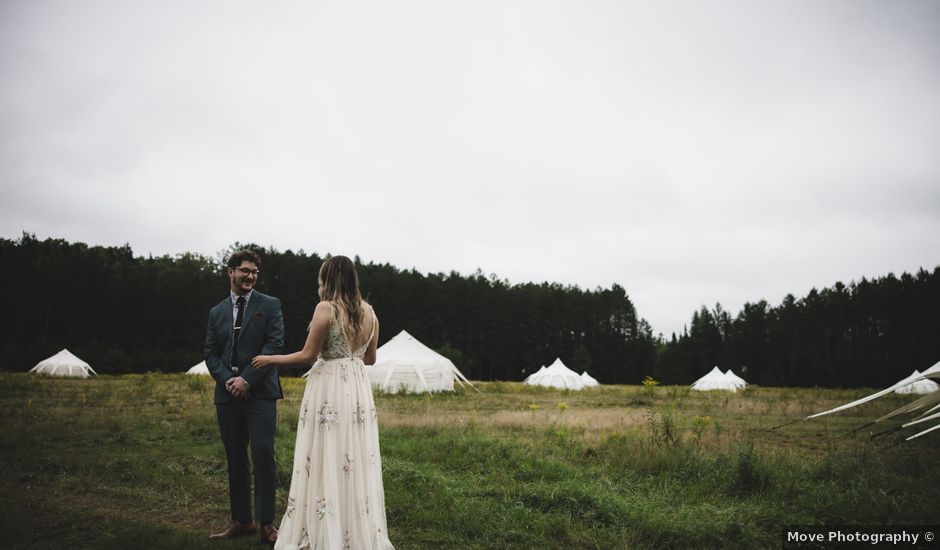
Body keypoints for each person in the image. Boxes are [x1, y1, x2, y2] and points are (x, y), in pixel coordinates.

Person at [252, 255, 394, 550]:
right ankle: (353, 531)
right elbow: (370, 359)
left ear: (327, 279)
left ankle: (325, 531)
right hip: (356, 389)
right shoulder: (371, 313)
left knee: (326, 454)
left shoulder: (326, 309)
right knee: (352, 456)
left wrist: (269, 359)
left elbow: (306, 356)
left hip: (329, 387)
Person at [204, 250, 285, 545]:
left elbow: (275, 344)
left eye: (254, 272)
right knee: (235, 457)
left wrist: (247, 379)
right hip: (227, 395)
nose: (250, 276)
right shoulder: (216, 312)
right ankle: (242, 521)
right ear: (230, 272)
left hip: (261, 393)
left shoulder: (270, 305)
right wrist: (229, 381)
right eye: (245, 271)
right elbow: (210, 353)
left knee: (263, 455)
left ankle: (267, 524)